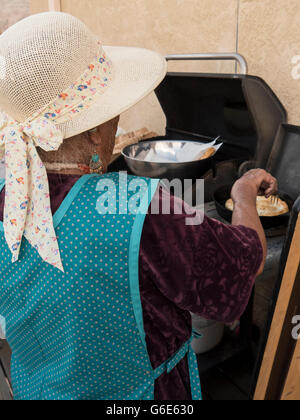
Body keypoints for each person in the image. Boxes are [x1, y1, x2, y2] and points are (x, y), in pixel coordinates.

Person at [0, 12, 277, 401]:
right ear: (95, 128)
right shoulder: (135, 206)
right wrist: (245, 191)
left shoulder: (6, 191)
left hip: (35, 388)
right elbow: (243, 263)